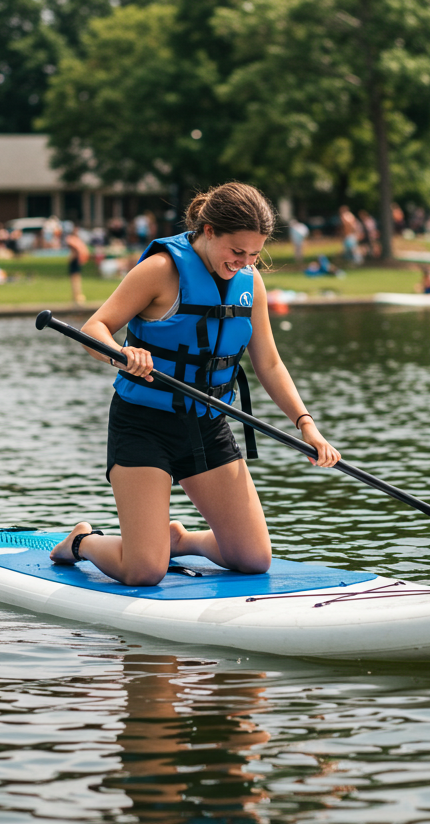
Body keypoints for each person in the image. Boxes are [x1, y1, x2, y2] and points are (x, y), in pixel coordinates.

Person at [49, 182, 341, 586]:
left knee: (253, 558)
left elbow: (270, 363)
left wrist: (306, 424)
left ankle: (179, 538)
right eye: (236, 251)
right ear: (208, 231)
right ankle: (82, 541)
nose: (243, 262)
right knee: (144, 571)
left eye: (254, 254)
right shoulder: (160, 271)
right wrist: (122, 353)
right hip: (144, 424)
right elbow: (95, 328)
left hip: (207, 423)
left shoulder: (250, 281)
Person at [65, 227, 90, 304]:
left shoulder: (73, 241)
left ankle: (77, 297)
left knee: (75, 280)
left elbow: (74, 253)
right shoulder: (75, 241)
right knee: (75, 280)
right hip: (75, 262)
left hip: (75, 262)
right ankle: (76, 297)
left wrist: (70, 259)